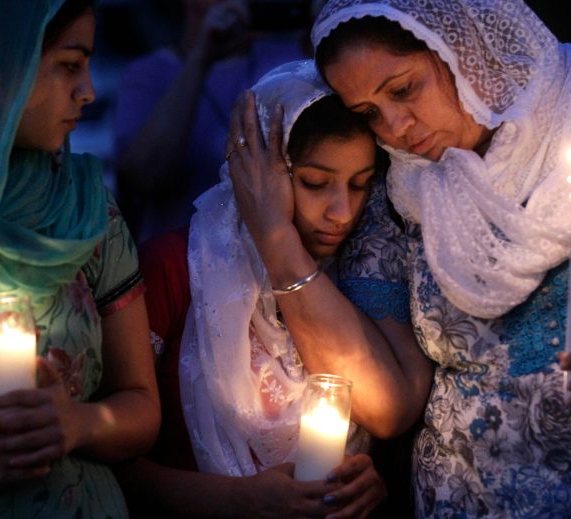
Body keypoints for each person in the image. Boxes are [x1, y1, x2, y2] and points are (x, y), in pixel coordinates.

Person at [228, 0, 571, 516]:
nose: (395, 127)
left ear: (462, 41)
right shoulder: (400, 188)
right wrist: (275, 240)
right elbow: (388, 401)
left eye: (403, 89)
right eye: (369, 114)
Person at [116, 60, 428, 518]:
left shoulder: (357, 273)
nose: (342, 211)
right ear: (256, 172)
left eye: (360, 184)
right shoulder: (175, 268)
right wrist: (241, 500)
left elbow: (385, 419)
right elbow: (112, 468)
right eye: (315, 183)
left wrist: (367, 484)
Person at [0, 1, 160, 517]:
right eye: (69, 64)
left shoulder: (86, 212)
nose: (87, 91)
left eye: (89, 66)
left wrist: (77, 424)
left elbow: (140, 405)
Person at [113, 0, 308, 242]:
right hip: (180, 262)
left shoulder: (288, 57)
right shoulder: (148, 74)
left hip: (273, 254)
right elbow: (142, 176)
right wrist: (201, 57)